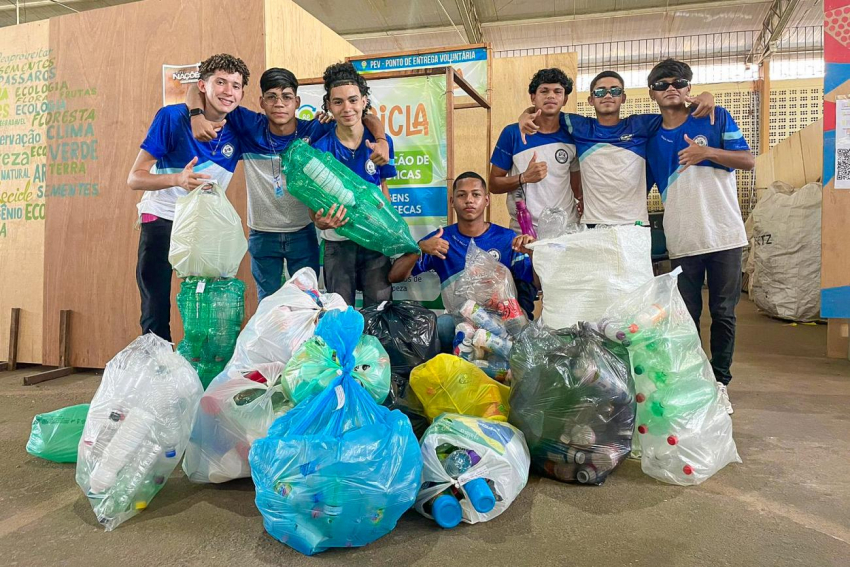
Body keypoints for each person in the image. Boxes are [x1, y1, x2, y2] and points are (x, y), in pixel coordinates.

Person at [186, 68, 389, 302]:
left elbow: (364, 117)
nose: (279, 104)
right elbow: (196, 88)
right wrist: (196, 115)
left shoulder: (314, 130)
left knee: (307, 304)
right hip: (262, 234)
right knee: (268, 304)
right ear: (262, 102)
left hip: (302, 233)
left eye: (286, 97)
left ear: (297, 102)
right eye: (271, 97)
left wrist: (381, 139)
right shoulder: (249, 125)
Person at [645, 59, 755, 414]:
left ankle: (720, 383)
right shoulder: (651, 137)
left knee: (724, 313)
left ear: (689, 87)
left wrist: (706, 151)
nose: (671, 87)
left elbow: (748, 161)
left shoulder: (715, 117)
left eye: (679, 81)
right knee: (687, 315)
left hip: (724, 235)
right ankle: (693, 380)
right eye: (662, 84)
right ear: (652, 94)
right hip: (683, 239)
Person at [127, 53, 250, 342]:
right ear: (204, 86)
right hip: (161, 218)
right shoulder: (172, 117)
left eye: (235, 85)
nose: (228, 91)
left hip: (203, 227)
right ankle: (158, 369)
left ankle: (198, 369)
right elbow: (135, 177)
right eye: (220, 82)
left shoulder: (240, 128)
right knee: (155, 304)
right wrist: (177, 179)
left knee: (205, 304)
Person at [519, 70, 716, 226]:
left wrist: (707, 95)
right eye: (600, 91)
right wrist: (525, 114)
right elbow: (547, 110)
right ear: (590, 100)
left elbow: (677, 114)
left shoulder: (642, 124)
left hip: (634, 224)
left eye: (614, 91)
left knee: (637, 279)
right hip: (593, 224)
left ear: (623, 97)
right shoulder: (579, 126)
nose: (607, 95)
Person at [389, 172, 535, 352]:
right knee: (442, 325)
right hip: (461, 323)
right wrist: (419, 249)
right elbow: (394, 276)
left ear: (487, 200)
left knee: (525, 329)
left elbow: (534, 283)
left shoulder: (506, 239)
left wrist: (533, 253)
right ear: (452, 202)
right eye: (461, 195)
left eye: (476, 194)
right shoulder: (441, 240)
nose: (469, 200)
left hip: (504, 322)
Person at [489, 68, 580, 317]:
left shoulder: (574, 132)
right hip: (524, 237)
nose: (551, 96)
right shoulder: (512, 133)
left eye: (557, 91)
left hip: (564, 234)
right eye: (544, 91)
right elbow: (493, 184)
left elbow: (577, 185)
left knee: (562, 303)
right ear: (533, 97)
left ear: (565, 98)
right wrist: (523, 178)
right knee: (523, 306)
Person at [311, 61, 396, 308]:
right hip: (337, 243)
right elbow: (313, 203)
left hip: (375, 239)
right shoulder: (320, 149)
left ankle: (376, 349)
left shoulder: (382, 142)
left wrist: (388, 224)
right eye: (338, 102)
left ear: (364, 101)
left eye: (353, 100)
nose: (347, 108)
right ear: (328, 105)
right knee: (340, 312)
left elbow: (383, 186)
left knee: (378, 309)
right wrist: (319, 220)